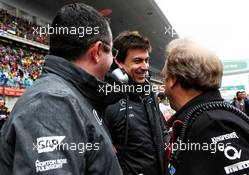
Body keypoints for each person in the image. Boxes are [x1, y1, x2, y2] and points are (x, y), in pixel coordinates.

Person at [0, 3, 122, 175]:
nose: (112, 62)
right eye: (112, 52)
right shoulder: (53, 101)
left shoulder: (68, 96)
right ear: (97, 51)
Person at [163, 39, 249, 175]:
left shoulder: (212, 124)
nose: (164, 89)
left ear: (173, 80)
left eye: (164, 78)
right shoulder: (206, 117)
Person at [103, 31, 168, 175]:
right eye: (138, 61)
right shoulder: (106, 100)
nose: (145, 67)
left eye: (147, 60)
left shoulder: (149, 93)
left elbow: (163, 130)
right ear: (119, 62)